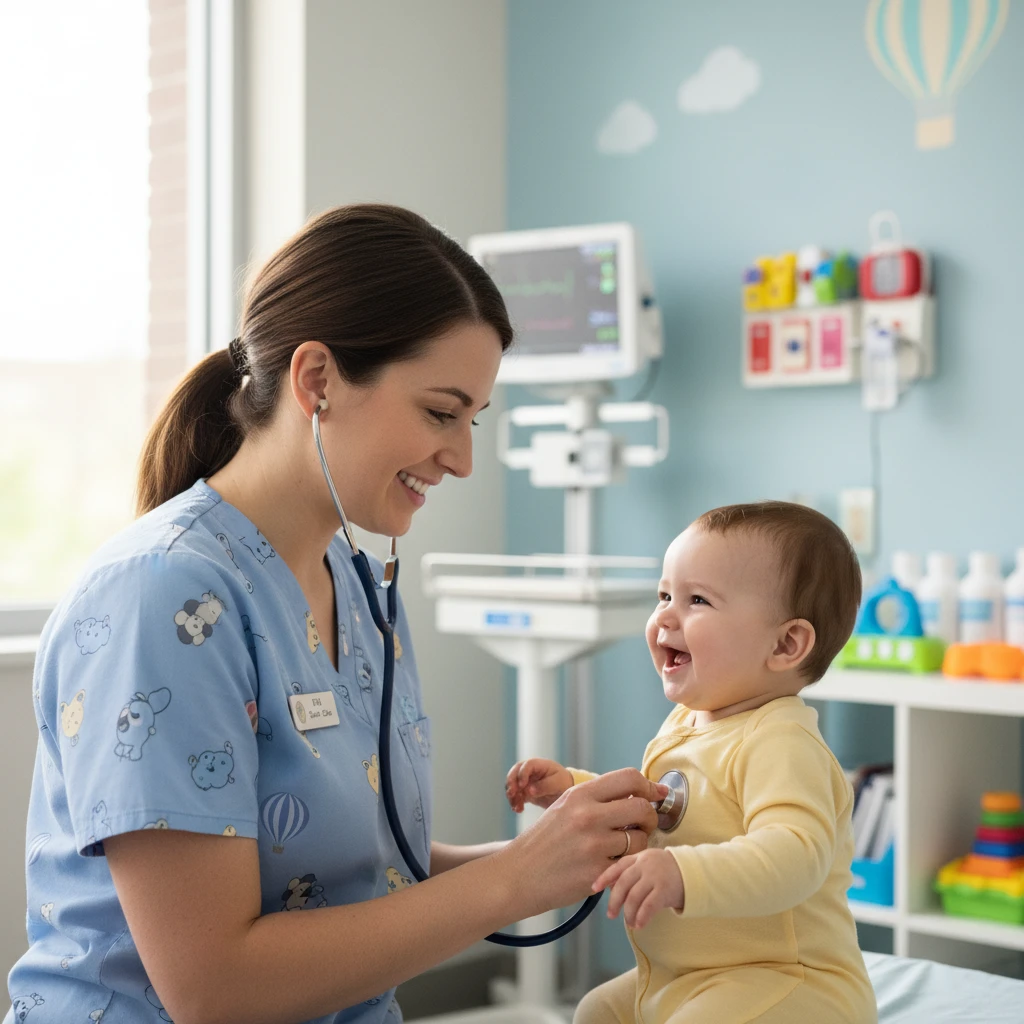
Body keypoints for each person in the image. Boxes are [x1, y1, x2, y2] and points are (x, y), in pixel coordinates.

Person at [7, 204, 669, 1024]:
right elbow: (214, 986)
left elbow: (350, 869)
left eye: (473, 421)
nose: (462, 459)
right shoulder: (165, 596)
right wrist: (515, 878)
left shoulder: (353, 582)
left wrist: (567, 853)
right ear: (317, 380)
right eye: (441, 412)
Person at [506, 501, 879, 1024]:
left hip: (785, 982)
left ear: (787, 643)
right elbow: (666, 809)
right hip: (687, 976)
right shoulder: (688, 723)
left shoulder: (781, 740)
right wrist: (574, 788)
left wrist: (683, 872)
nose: (664, 616)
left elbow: (797, 855)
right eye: (665, 595)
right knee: (595, 1012)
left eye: (697, 599)